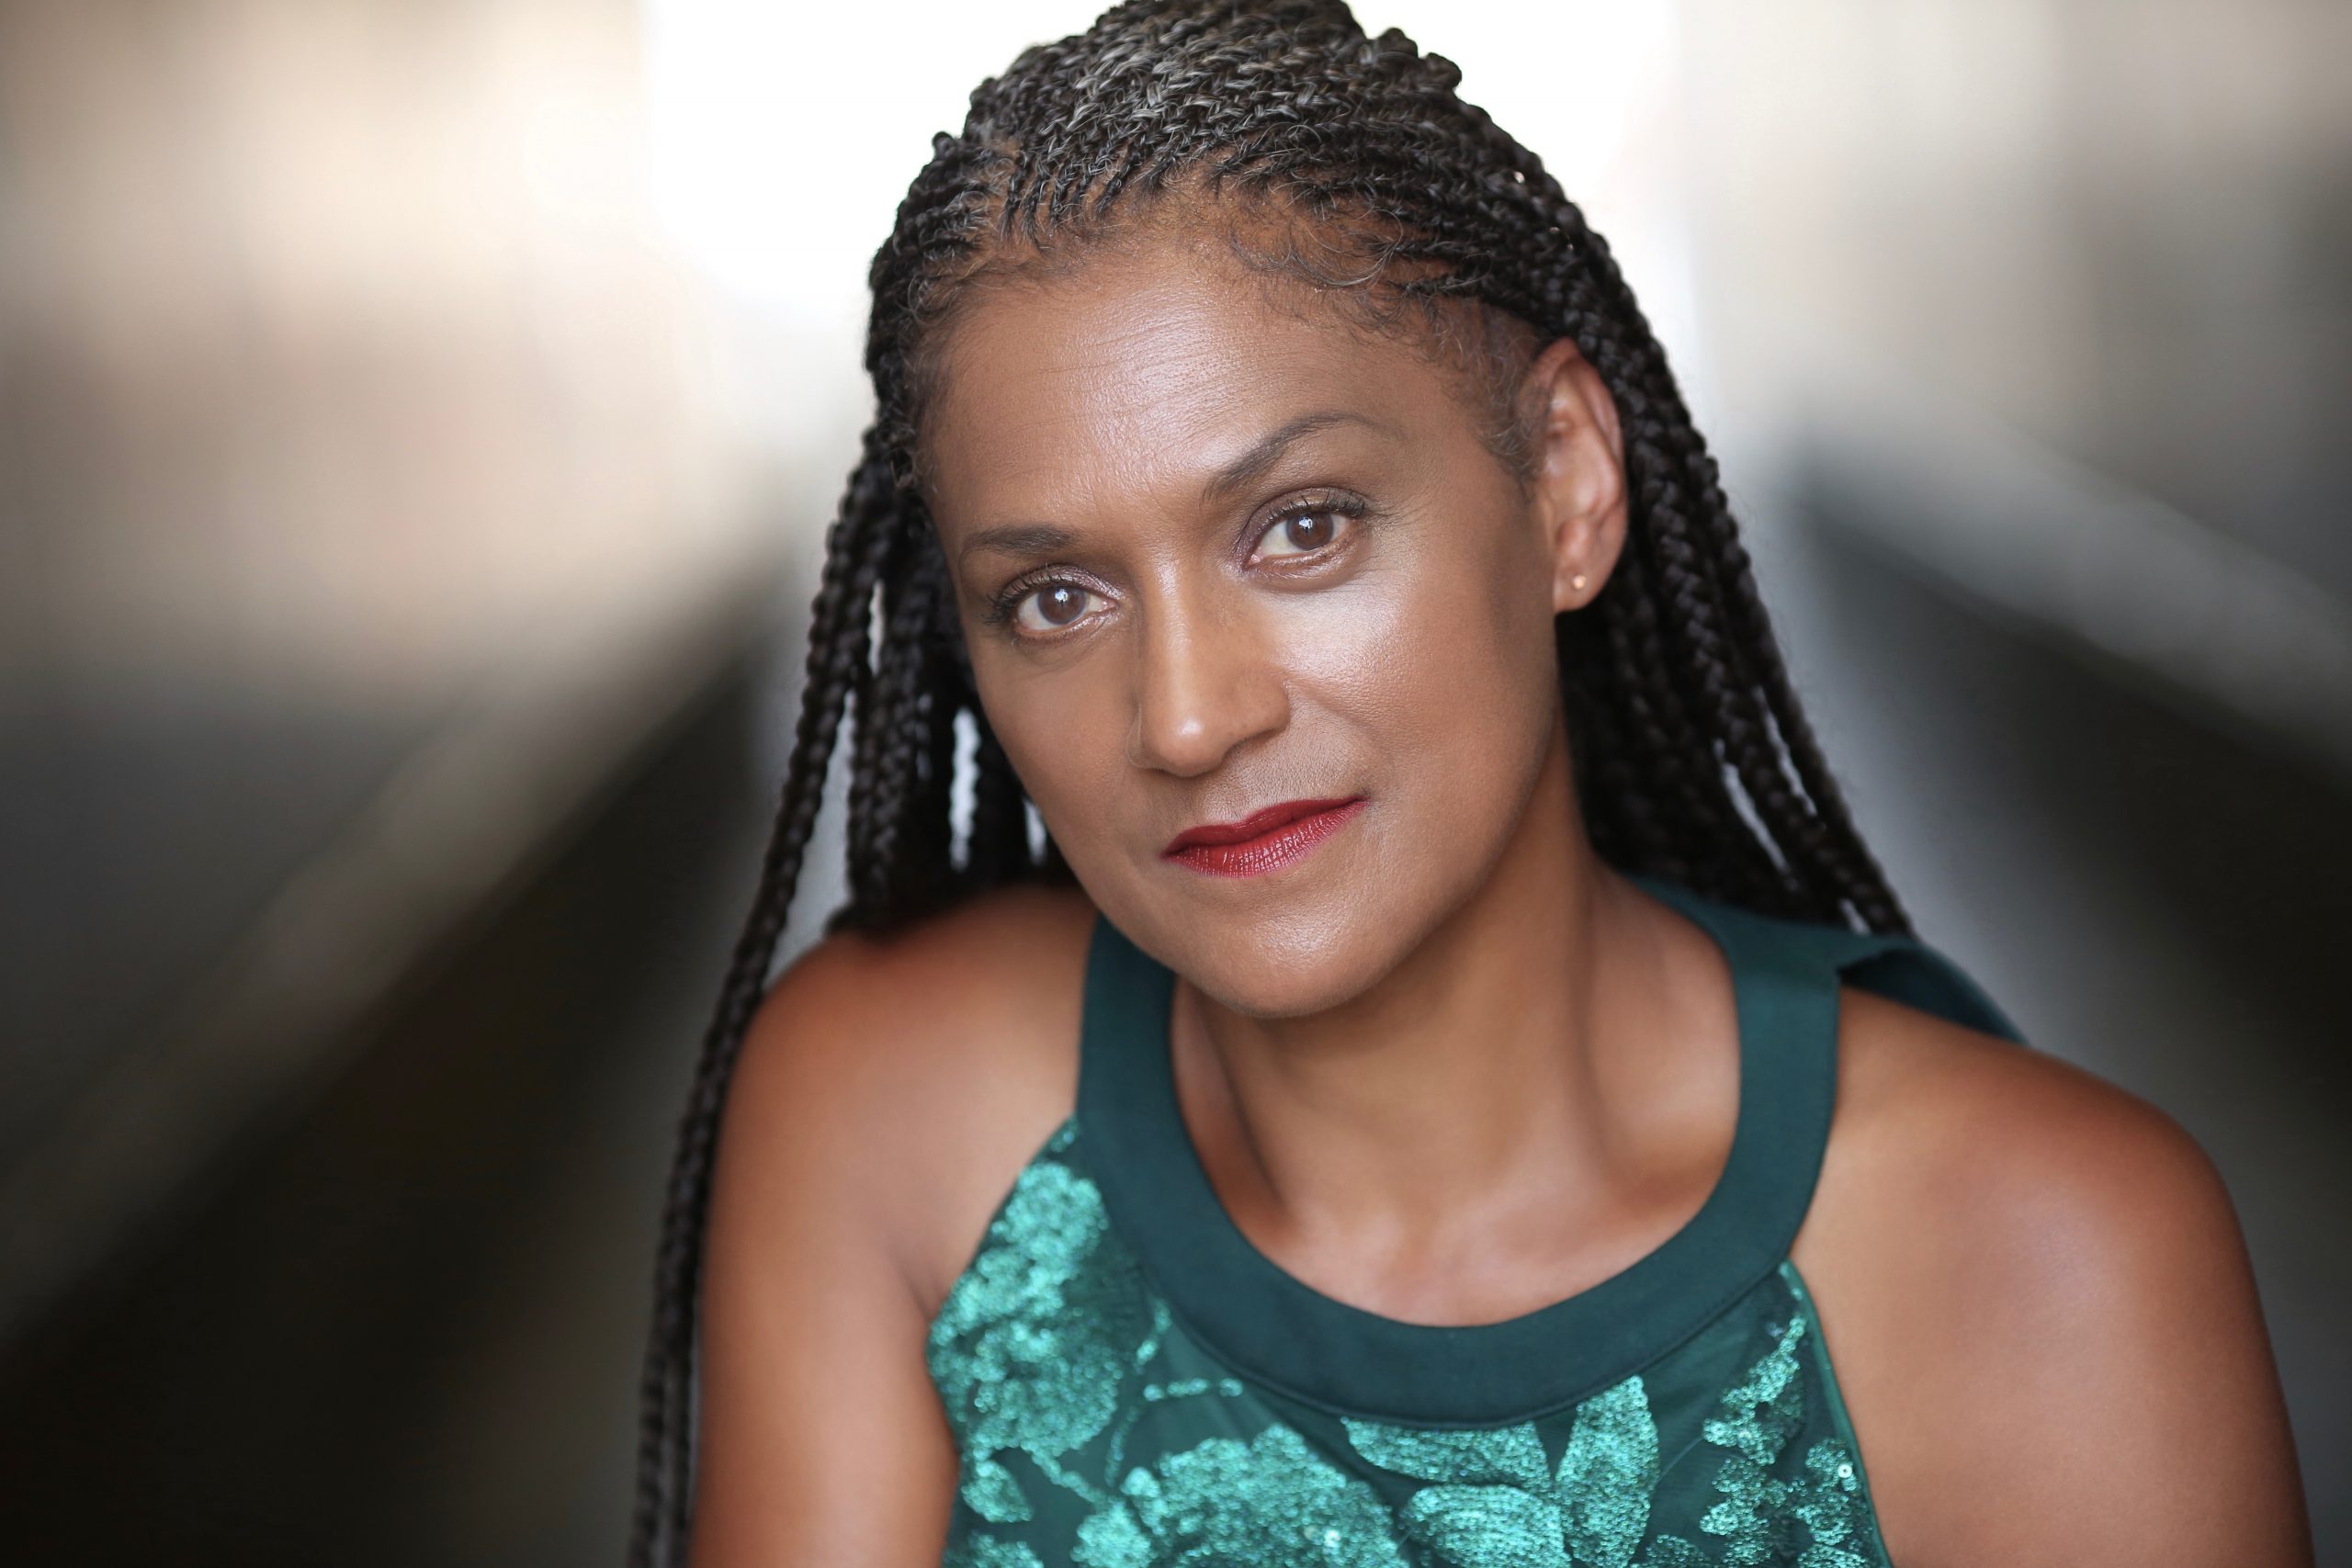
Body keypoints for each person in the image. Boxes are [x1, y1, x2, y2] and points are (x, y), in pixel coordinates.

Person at [630, 4, 2312, 1563]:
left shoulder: (2042, 1253)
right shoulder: (896, 1116)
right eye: (1056, 596)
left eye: (1303, 527)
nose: (1189, 718)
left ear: (1567, 485)